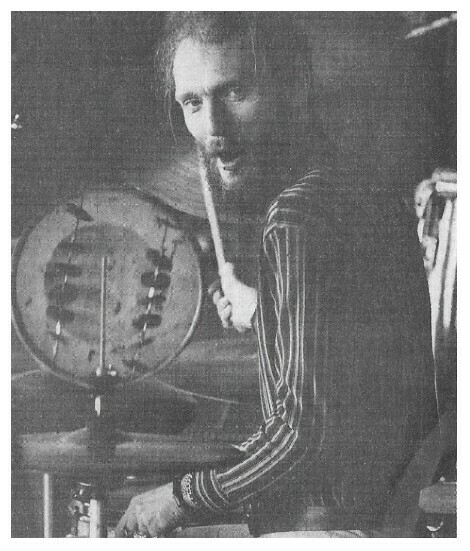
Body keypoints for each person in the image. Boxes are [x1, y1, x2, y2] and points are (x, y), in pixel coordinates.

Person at [116, 12, 438, 538]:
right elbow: (356, 371)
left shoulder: (295, 218)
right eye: (193, 103)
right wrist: (267, 312)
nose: (213, 129)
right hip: (397, 515)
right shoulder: (359, 188)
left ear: (294, 86)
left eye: (236, 91)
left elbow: (300, 437)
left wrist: (178, 498)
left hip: (334, 528)